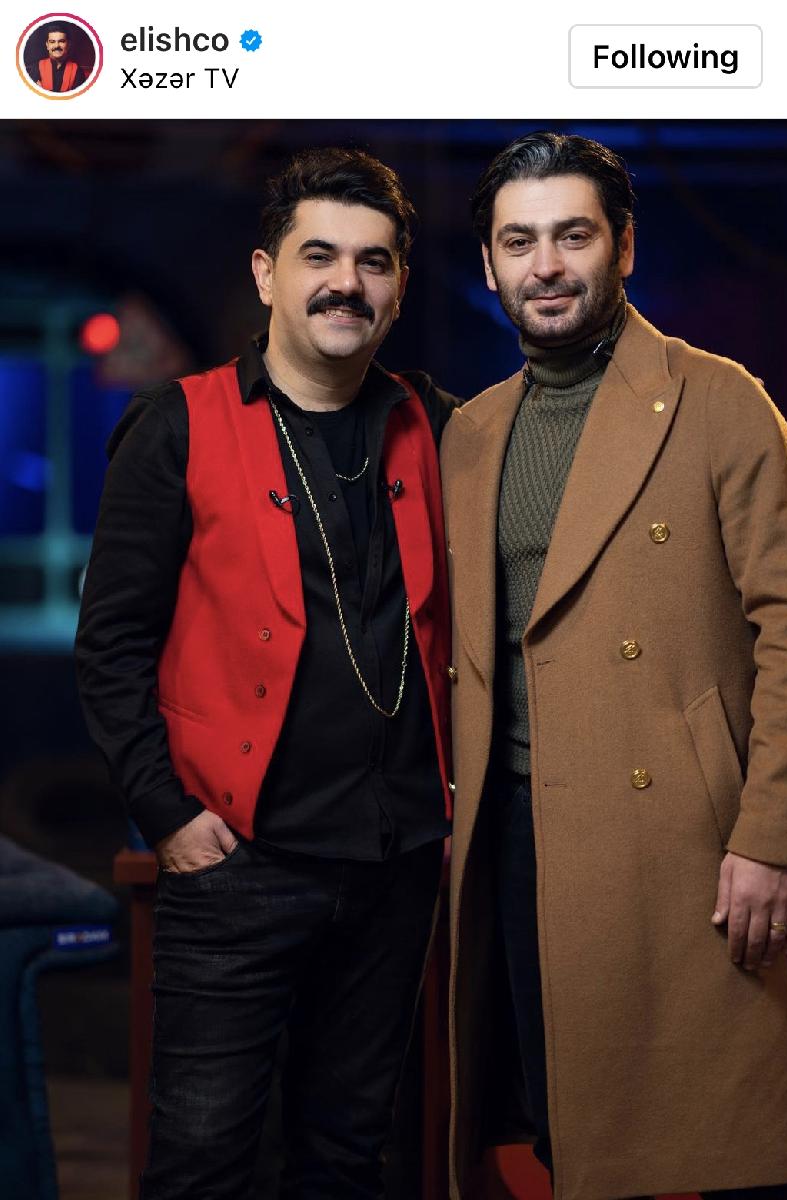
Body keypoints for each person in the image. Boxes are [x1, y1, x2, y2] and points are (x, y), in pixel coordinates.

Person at [441, 131, 787, 1200]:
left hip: (691, 846)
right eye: (518, 241)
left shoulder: (720, 401)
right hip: (521, 840)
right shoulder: (470, 433)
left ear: (622, 246)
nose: (545, 266)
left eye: (572, 236)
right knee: (574, 1148)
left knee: (737, 1150)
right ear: (488, 264)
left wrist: (771, 840)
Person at [76, 147, 457, 1199]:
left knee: (349, 1158)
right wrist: (168, 815)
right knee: (202, 1161)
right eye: (318, 256)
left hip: (395, 865)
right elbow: (110, 644)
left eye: (373, 261)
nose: (347, 283)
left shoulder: (436, 425)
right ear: (265, 274)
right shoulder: (175, 425)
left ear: (399, 286)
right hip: (237, 865)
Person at [27, 25, 89, 93]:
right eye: (52, 42)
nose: (57, 46)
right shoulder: (36, 67)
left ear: (68, 45)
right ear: (47, 45)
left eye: (61, 41)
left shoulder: (77, 71)